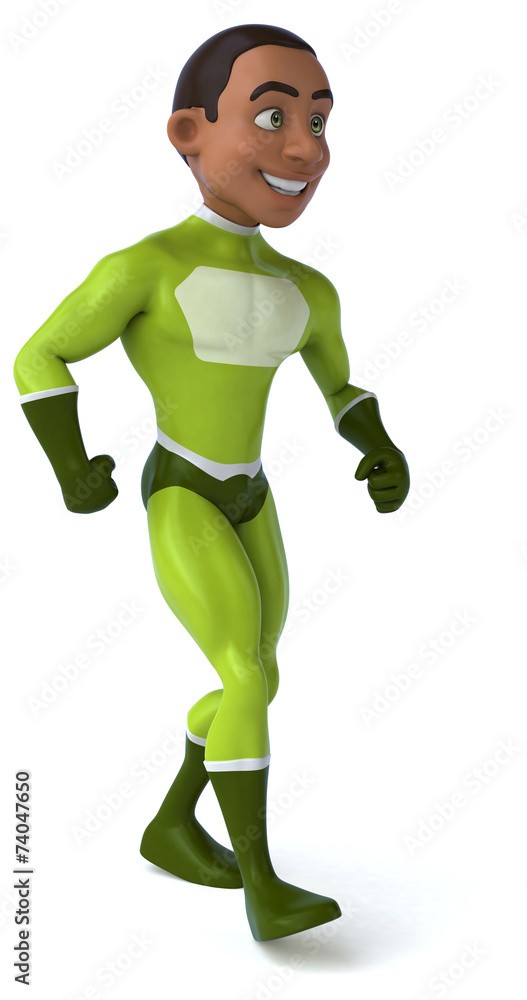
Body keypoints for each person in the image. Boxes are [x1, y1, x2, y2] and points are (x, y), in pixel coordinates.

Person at [14, 24, 410, 941]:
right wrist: (71, 466)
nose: (304, 149)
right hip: (185, 493)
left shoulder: (307, 289)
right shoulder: (146, 268)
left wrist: (378, 445)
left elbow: (340, 387)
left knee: (258, 680)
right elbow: (40, 354)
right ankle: (262, 887)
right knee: (241, 671)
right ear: (188, 133)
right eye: (272, 117)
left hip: (252, 497)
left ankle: (170, 825)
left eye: (318, 121)